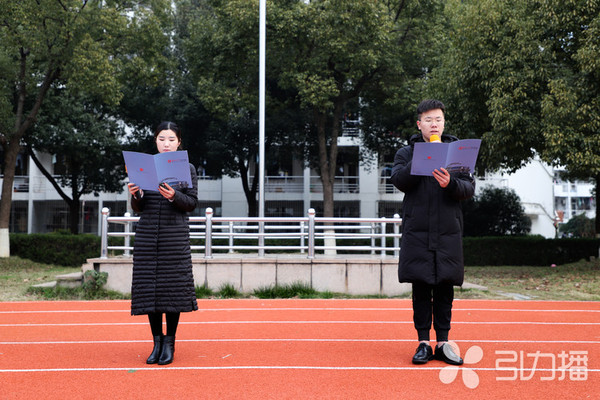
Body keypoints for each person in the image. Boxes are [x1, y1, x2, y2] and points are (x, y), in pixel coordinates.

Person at [389, 99, 475, 365]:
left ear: (444, 122)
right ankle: (423, 343)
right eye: (428, 120)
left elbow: (468, 189)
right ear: (419, 124)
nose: (434, 124)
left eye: (438, 119)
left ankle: (444, 343)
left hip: (448, 230)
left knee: (445, 285)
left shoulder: (458, 153)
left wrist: (451, 183)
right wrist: (422, 158)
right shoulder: (406, 153)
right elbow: (399, 181)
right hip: (418, 230)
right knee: (421, 285)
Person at [127, 121, 199, 365]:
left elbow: (191, 203)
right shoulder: (144, 167)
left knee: (173, 291)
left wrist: (174, 196)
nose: (166, 143)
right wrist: (136, 195)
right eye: (161, 139)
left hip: (174, 237)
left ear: (179, 142)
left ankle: (169, 343)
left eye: (171, 139)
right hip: (147, 236)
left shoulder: (187, 168)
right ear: (155, 141)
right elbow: (139, 208)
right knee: (151, 291)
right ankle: (156, 343)